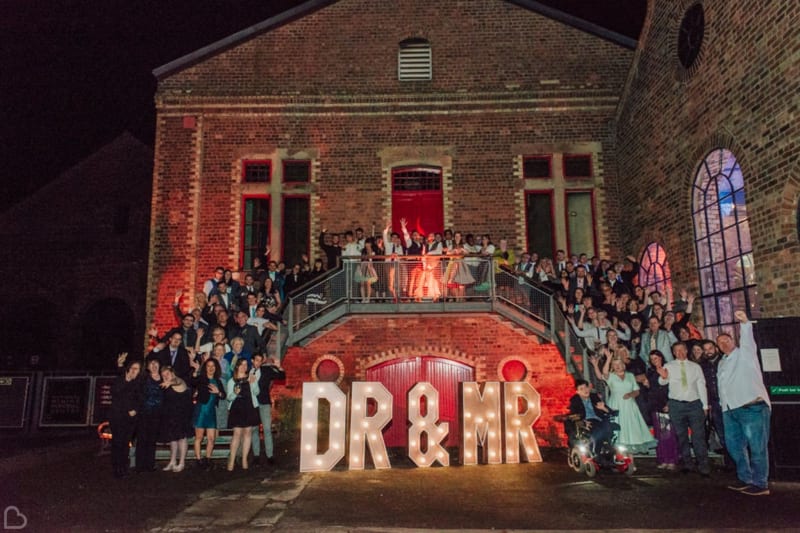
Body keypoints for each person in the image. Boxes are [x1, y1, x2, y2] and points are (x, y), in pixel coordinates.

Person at [716, 310, 772, 496]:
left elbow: (748, 341)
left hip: (751, 406)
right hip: (730, 410)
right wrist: (724, 409)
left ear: (733, 341)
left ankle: (760, 482)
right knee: (734, 446)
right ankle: (746, 478)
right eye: (720, 343)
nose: (724, 344)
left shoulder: (745, 355)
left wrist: (745, 323)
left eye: (727, 340)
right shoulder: (721, 362)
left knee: (757, 446)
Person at [657, 341, 710, 476]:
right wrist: (663, 377)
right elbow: (663, 380)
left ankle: (703, 465)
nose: (679, 353)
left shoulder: (695, 367)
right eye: (676, 351)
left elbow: (701, 385)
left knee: (698, 436)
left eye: (682, 350)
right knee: (681, 436)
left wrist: (704, 405)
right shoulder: (669, 365)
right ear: (673, 353)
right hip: (676, 405)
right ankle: (687, 463)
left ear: (687, 351)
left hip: (694, 404)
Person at [594, 349, 655, 452]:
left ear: (623, 365)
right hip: (616, 404)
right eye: (615, 365)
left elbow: (637, 391)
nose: (617, 366)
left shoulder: (630, 376)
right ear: (612, 367)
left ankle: (630, 454)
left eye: (619, 364)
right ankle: (617, 451)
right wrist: (608, 359)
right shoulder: (611, 376)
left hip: (629, 405)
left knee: (631, 427)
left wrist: (631, 394)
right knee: (617, 426)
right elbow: (604, 372)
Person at [643, 350, 679, 470]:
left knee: (668, 433)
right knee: (659, 434)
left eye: (656, 358)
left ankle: (672, 459)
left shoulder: (668, 368)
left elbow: (672, 387)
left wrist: (669, 403)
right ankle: (663, 459)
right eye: (652, 359)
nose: (654, 361)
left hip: (665, 404)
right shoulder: (650, 372)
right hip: (654, 405)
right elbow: (651, 388)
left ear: (661, 358)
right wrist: (647, 385)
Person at [190, 357, 226, 469]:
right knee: (199, 437)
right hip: (201, 410)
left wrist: (218, 392)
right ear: (205, 368)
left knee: (211, 438)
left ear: (216, 368)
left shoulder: (218, 381)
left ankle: (208, 459)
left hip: (211, 412)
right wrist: (196, 370)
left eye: (213, 366)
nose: (211, 368)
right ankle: (198, 459)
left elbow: (223, 395)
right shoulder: (201, 378)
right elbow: (192, 381)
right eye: (208, 366)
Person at [251, 354, 286, 466]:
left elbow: (281, 377)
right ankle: (256, 456)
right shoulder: (247, 371)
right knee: (254, 430)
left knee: (267, 429)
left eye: (260, 361)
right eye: (256, 360)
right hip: (252, 404)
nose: (258, 362)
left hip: (264, 403)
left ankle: (269, 456)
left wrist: (279, 367)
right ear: (252, 360)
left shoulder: (266, 370)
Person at [110, 354, 142, 478]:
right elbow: (116, 394)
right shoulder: (120, 380)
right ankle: (117, 469)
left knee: (125, 443)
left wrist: (135, 409)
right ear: (128, 368)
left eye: (137, 369)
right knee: (117, 442)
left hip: (130, 418)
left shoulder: (138, 383)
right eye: (133, 368)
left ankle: (123, 467)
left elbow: (140, 398)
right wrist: (126, 377)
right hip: (118, 416)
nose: (134, 371)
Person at [226, 358, 260, 471]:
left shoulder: (251, 378)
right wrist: (235, 393)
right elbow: (229, 397)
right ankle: (231, 460)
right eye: (241, 364)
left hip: (249, 407)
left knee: (248, 433)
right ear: (237, 366)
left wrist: (253, 383)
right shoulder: (232, 381)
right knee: (237, 433)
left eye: (246, 365)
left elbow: (257, 392)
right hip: (237, 408)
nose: (244, 367)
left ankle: (244, 459)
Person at [158, 365, 194, 473]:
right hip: (171, 416)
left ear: (173, 373)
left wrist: (170, 382)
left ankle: (181, 462)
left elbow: (177, 382)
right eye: (163, 376)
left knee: (182, 438)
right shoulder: (166, 384)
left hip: (182, 416)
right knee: (172, 439)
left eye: (167, 374)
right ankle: (172, 461)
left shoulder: (179, 381)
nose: (165, 377)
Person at [567, 379, 612, 454]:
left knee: (608, 427)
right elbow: (573, 415)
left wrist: (603, 408)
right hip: (587, 421)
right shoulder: (575, 400)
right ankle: (596, 451)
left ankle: (608, 450)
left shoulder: (594, 397)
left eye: (586, 387)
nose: (585, 390)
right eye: (581, 389)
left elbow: (610, 411)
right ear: (577, 392)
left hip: (599, 420)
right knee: (598, 430)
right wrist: (583, 422)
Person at [135, 355, 163, 473]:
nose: (154, 366)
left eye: (156, 363)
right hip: (144, 413)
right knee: (142, 439)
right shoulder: (143, 379)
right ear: (148, 367)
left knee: (152, 440)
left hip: (157, 414)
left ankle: (150, 465)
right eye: (151, 364)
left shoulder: (164, 378)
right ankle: (140, 466)